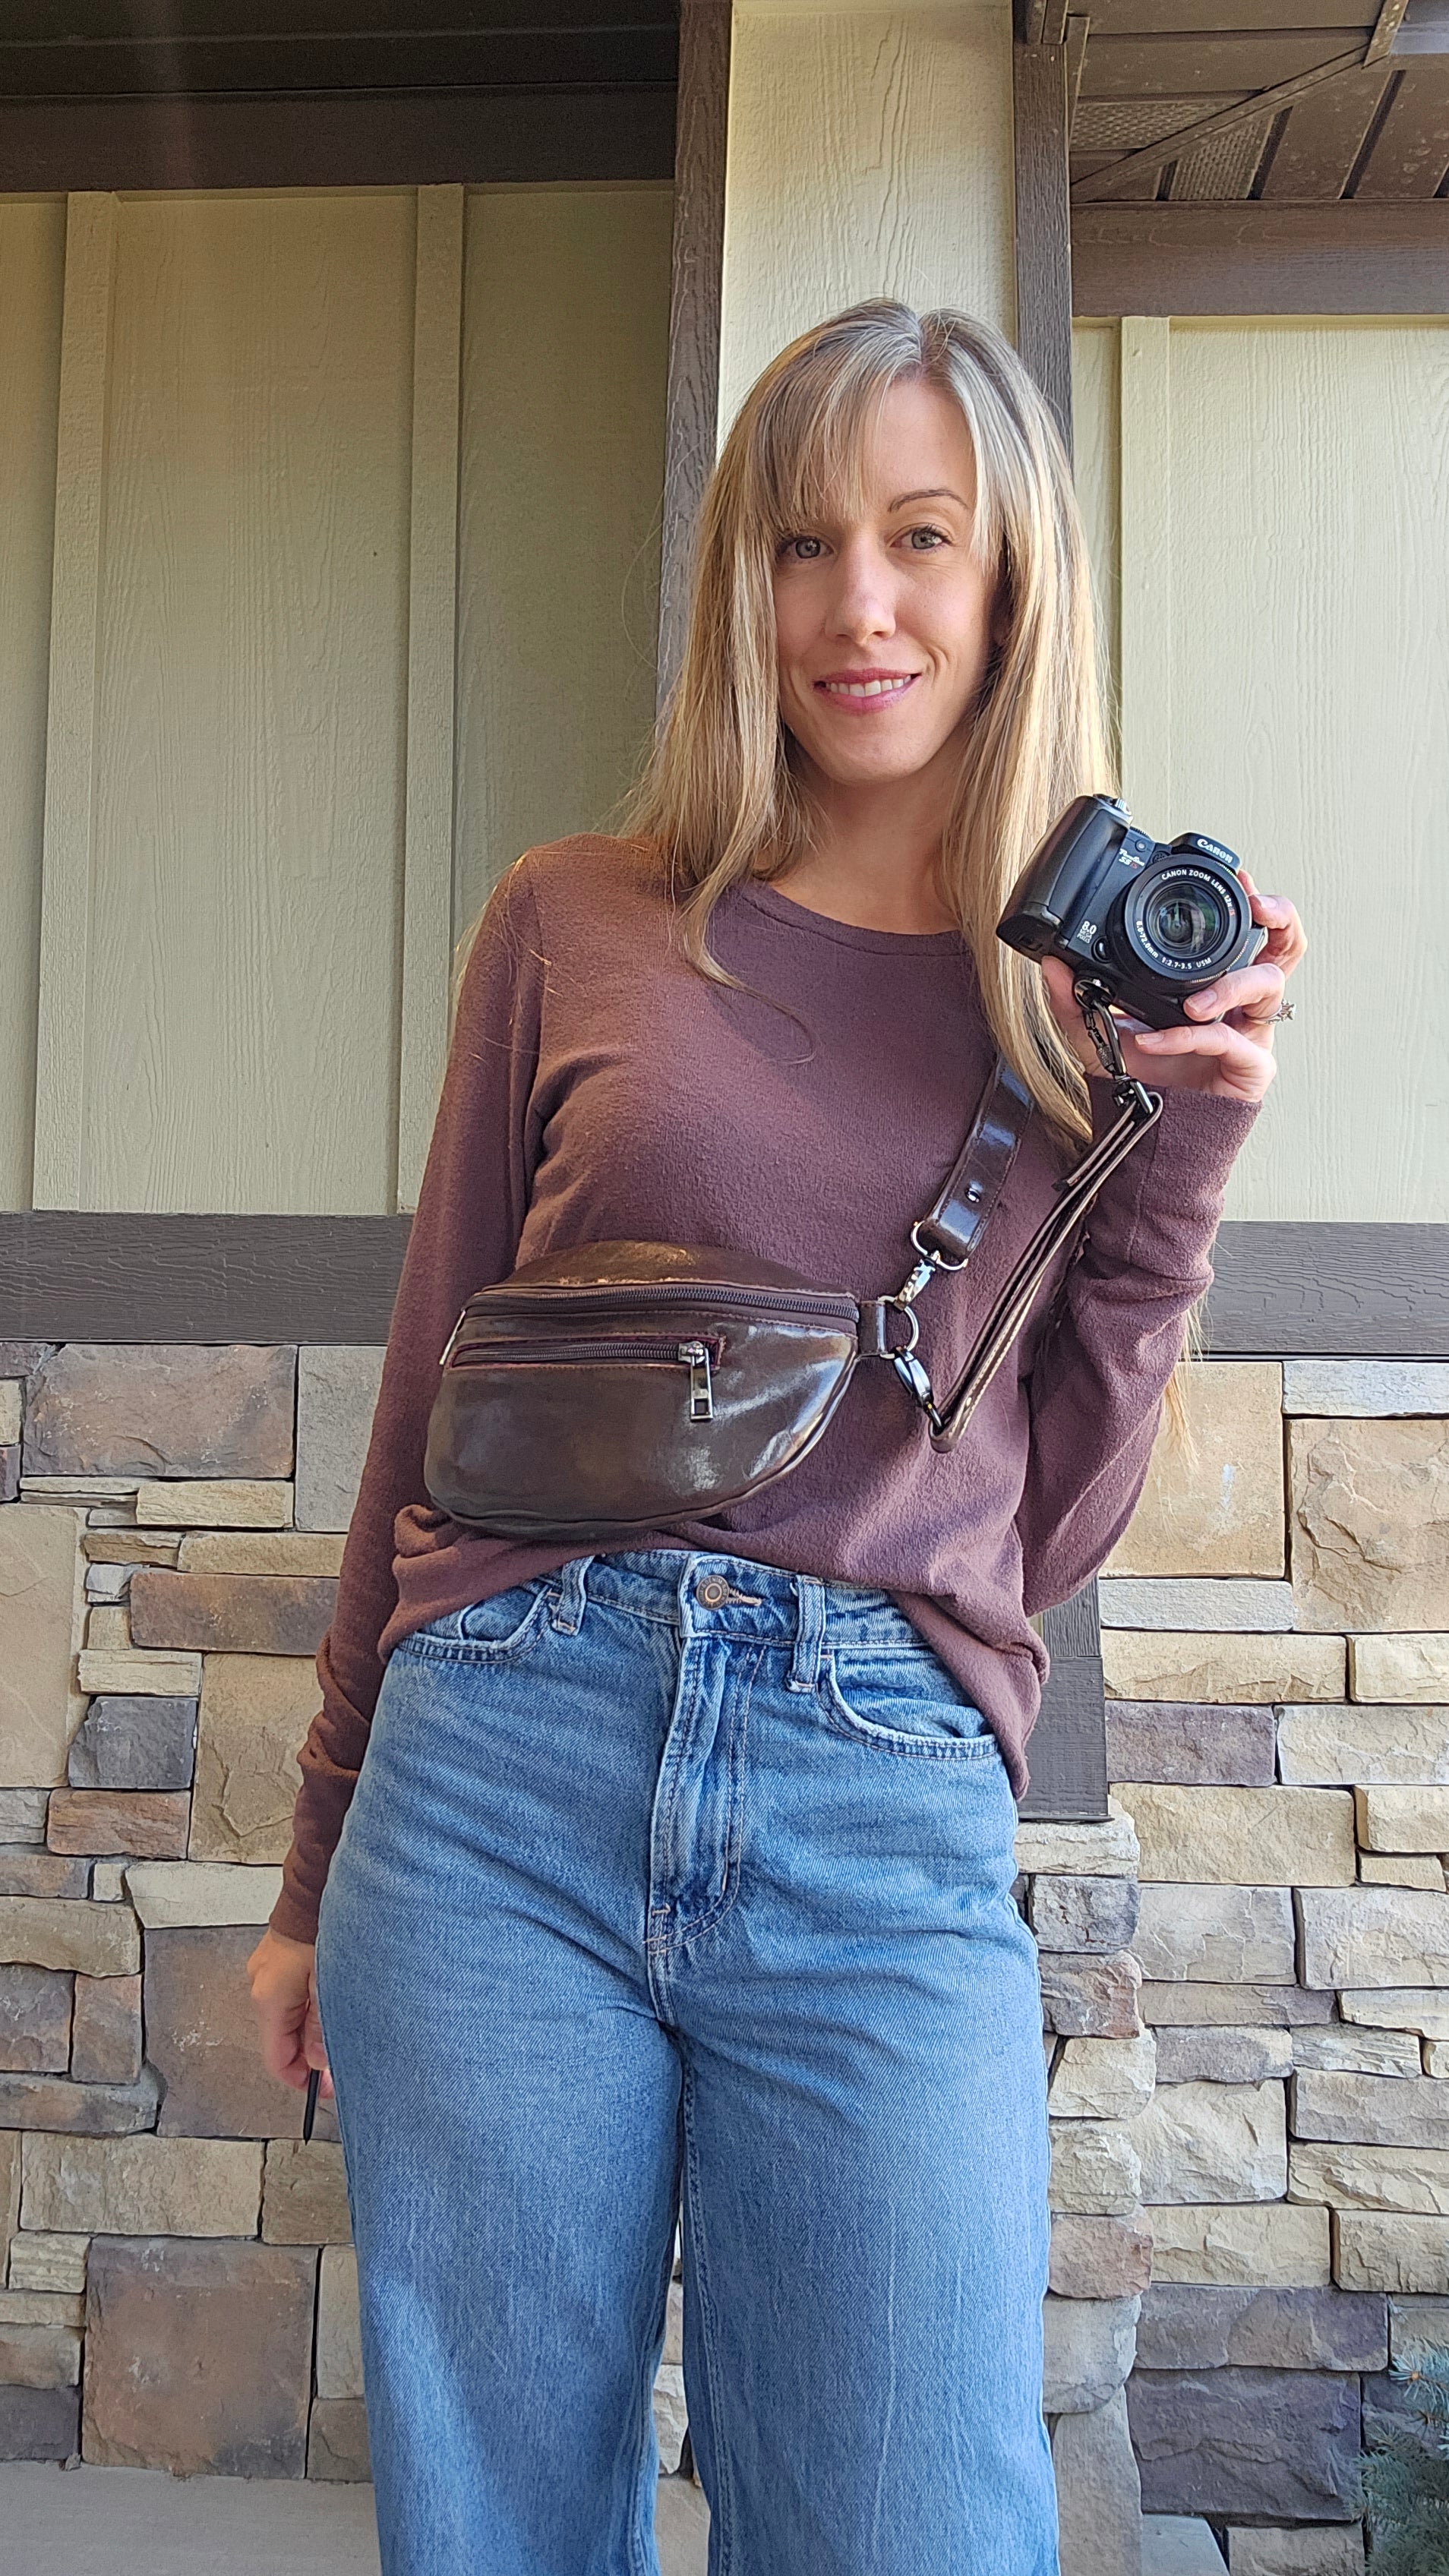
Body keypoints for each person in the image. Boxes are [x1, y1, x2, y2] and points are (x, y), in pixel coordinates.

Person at [248, 299, 1304, 2574]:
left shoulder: (1084, 1005)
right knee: (500, 2525)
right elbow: (433, 1383)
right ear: (739, 581)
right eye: (802, 543)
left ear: (1010, 574)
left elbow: (1047, 1528)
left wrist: (1178, 1149)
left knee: (907, 2522)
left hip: (872, 1799)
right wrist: (315, 1857)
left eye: (922, 538)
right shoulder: (577, 919)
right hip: (497, 1773)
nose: (859, 605)